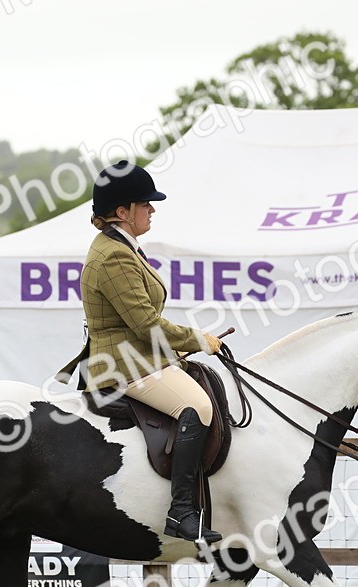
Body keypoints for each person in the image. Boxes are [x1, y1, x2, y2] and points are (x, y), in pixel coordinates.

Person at [60, 160, 222, 544]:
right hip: (121, 366)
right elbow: (146, 325)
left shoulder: (122, 247)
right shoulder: (114, 256)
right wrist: (199, 340)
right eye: (145, 204)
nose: (152, 209)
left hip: (136, 357)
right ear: (122, 212)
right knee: (197, 407)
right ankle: (182, 511)